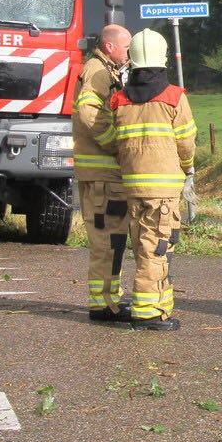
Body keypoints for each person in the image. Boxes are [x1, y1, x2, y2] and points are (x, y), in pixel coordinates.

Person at [103, 29, 197, 332]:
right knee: (156, 248)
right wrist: (188, 170)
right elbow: (186, 143)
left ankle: (159, 306)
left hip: (133, 187)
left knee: (145, 246)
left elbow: (112, 140)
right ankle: (147, 313)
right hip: (164, 192)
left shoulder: (119, 101)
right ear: (163, 58)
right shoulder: (174, 98)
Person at [72, 24, 132, 322]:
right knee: (106, 241)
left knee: (114, 240)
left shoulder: (105, 69)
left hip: (106, 178)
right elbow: (89, 112)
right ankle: (104, 304)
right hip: (102, 177)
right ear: (110, 46)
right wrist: (113, 144)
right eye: (126, 47)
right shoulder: (97, 71)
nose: (129, 54)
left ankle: (108, 301)